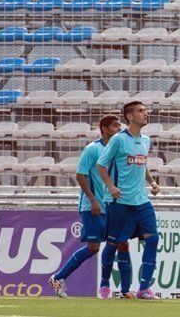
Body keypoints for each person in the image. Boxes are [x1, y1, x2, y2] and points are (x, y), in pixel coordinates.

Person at [50, 115, 132, 299]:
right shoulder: (93, 149)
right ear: (104, 128)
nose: (119, 128)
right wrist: (93, 200)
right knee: (94, 247)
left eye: (120, 125)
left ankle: (125, 291)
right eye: (115, 125)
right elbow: (80, 175)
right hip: (93, 206)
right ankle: (57, 277)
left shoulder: (118, 150)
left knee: (122, 243)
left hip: (113, 206)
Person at [97, 101, 161, 300]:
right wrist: (110, 186)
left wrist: (152, 182)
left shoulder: (145, 140)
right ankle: (105, 283)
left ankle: (143, 288)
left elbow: (143, 163)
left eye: (145, 110)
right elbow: (101, 165)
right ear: (130, 117)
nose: (146, 113)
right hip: (120, 202)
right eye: (141, 111)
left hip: (141, 201)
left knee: (153, 238)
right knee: (114, 244)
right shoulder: (118, 140)